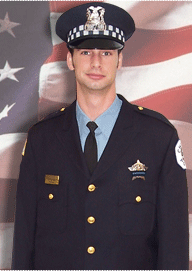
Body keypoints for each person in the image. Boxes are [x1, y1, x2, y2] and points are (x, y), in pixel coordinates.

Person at [12, 2, 189, 270]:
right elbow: (25, 241)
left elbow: (173, 247)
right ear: (70, 59)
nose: (96, 62)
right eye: (86, 52)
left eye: (106, 52)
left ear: (120, 59)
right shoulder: (42, 139)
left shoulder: (158, 138)